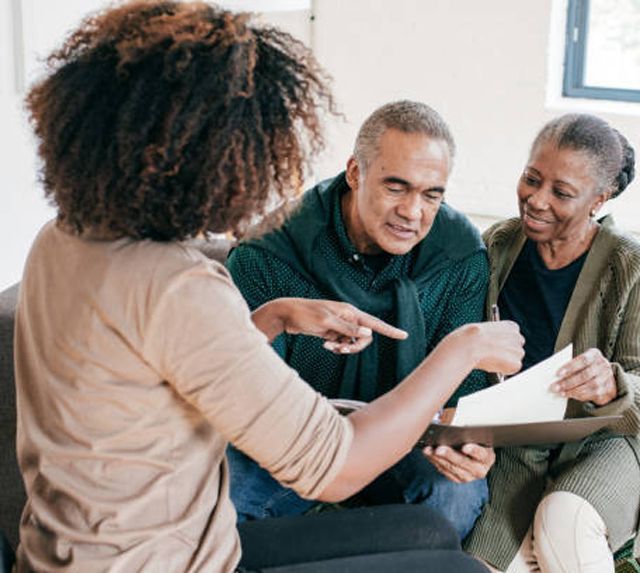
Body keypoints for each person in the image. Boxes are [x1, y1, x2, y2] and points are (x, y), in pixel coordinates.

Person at [14, 2, 524, 571]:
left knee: (427, 531)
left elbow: (173, 365)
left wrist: (273, 317)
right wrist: (463, 348)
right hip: (171, 561)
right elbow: (338, 467)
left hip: (73, 551)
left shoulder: (61, 239)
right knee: (459, 568)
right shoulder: (181, 289)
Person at [225, 100, 497, 539]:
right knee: (225, 496)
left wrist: (468, 448)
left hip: (407, 443)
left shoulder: (459, 253)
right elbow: (246, 396)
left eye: (431, 195)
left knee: (456, 493)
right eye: (396, 187)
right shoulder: (269, 253)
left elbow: (462, 397)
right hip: (294, 442)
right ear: (355, 172)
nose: (413, 212)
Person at [464, 114, 640, 573]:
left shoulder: (632, 265)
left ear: (599, 198)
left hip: (628, 434)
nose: (536, 200)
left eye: (561, 192)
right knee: (480, 564)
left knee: (564, 522)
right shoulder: (498, 245)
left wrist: (611, 385)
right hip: (528, 443)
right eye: (532, 178)